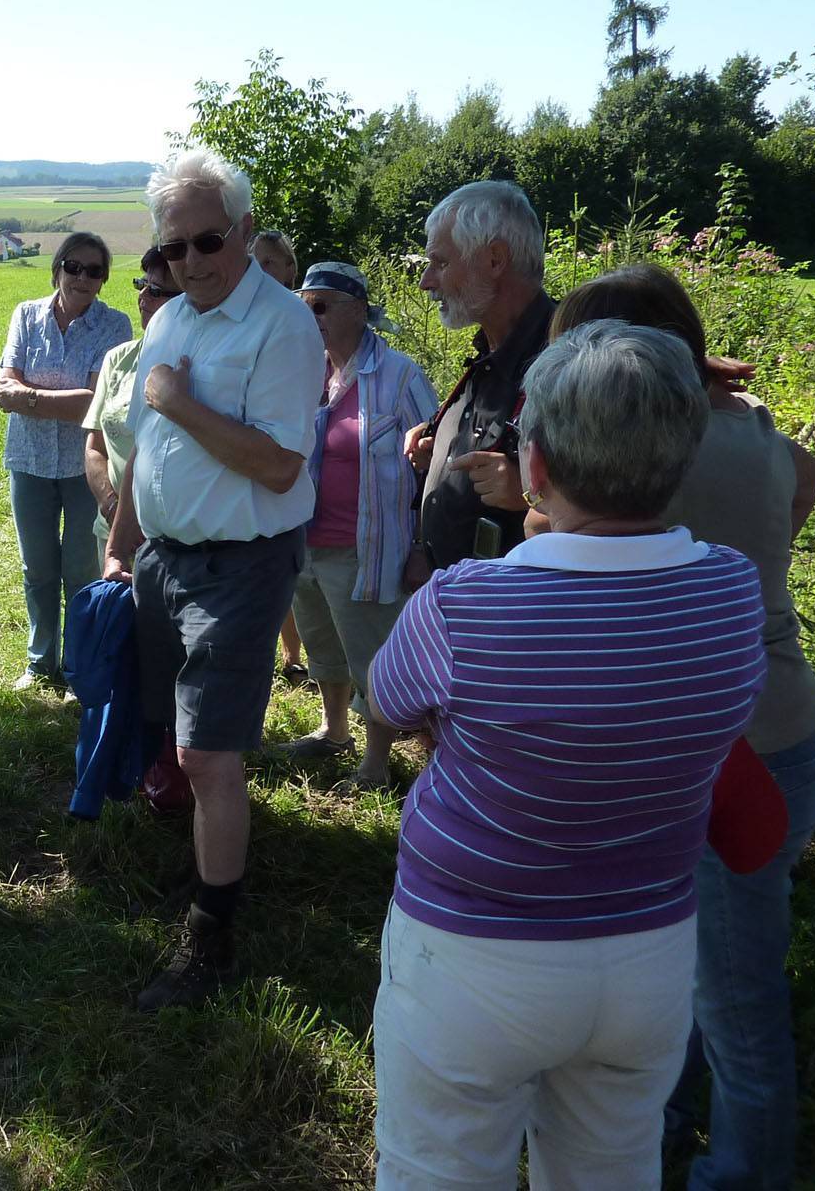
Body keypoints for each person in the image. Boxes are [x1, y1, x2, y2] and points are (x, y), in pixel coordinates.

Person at [367, 321, 769, 1189]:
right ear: (680, 459)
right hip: (648, 954)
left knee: (437, 1171)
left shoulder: (463, 602)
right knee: (611, 1170)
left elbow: (387, 701)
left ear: (535, 466)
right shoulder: (732, 592)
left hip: (471, 953)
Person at [544, 265, 815, 1191]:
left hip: (735, 752)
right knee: (708, 966)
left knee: (741, 1002)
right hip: (774, 734)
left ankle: (745, 1175)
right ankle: (671, 1119)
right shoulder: (747, 429)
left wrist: (533, 493)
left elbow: (592, 541)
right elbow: (803, 480)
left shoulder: (684, 454)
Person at [105, 150, 324, 1009]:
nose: (189, 263)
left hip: (240, 565)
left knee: (209, 750)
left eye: (205, 241)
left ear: (240, 232)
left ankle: (213, 931)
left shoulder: (283, 326)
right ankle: (208, 866)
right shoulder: (173, 321)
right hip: (165, 557)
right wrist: (122, 546)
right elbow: (142, 456)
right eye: (170, 251)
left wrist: (177, 403)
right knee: (176, 732)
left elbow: (277, 468)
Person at [266, 263, 437, 792]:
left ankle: (376, 762)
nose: (309, 316)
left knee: (372, 659)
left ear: (360, 311)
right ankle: (333, 730)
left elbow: (433, 468)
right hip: (304, 539)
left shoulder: (400, 376)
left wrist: (422, 544)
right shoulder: (304, 371)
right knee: (322, 645)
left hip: (367, 546)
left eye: (321, 306)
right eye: (303, 305)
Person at [0, 230, 132, 689]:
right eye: (74, 267)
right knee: (37, 567)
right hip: (28, 460)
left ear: (104, 280)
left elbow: (93, 401)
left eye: (95, 271)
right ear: (57, 268)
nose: (83, 278)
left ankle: (76, 664)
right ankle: (39, 661)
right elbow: (3, 378)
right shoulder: (26, 315)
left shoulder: (115, 326)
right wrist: (46, 398)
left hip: (84, 466)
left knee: (79, 569)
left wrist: (27, 397)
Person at [406, 180, 554, 584]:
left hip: (525, 614)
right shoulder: (493, 350)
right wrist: (441, 442)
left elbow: (624, 487)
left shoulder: (572, 358)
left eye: (439, 262)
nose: (426, 282)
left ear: (494, 260)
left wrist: (535, 491)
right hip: (466, 601)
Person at [83, 246, 178, 548]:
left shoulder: (198, 365)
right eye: (142, 285)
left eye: (157, 291)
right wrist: (112, 509)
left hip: (173, 536)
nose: (143, 297)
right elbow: (95, 447)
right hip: (113, 530)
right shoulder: (117, 359)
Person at [251, 230, 308, 678]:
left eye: (271, 262)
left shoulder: (302, 319)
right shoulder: (249, 321)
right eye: (256, 261)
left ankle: (299, 652)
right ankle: (287, 655)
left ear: (290, 268)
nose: (263, 269)